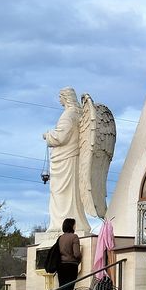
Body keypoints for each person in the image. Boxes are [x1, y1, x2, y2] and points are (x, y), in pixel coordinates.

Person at [43, 88, 90, 234]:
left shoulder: (67, 115)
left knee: (61, 194)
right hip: (72, 158)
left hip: (65, 160)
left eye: (60, 96)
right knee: (71, 194)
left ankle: (60, 224)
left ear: (66, 97)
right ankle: (74, 222)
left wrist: (47, 135)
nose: (59, 100)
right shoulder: (79, 115)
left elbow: (61, 137)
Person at [53, 216, 82, 290]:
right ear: (71, 226)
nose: (75, 226)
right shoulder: (74, 237)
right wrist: (79, 259)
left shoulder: (60, 238)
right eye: (74, 224)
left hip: (61, 267)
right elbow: (76, 253)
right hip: (71, 266)